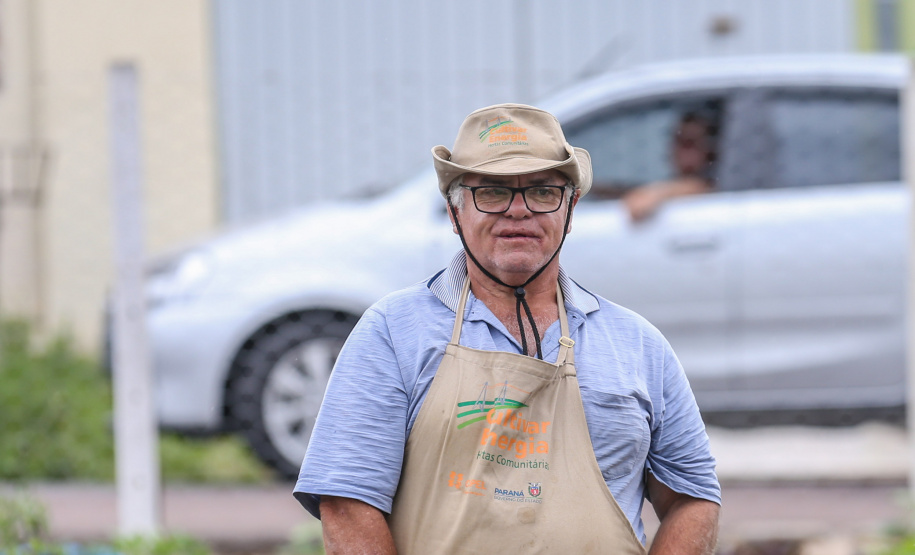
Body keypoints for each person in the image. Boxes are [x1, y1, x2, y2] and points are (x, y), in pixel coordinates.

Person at [294, 103, 721, 554]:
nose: (519, 211)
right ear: (455, 212)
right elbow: (347, 502)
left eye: (541, 192)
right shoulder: (393, 332)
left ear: (570, 210)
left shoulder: (637, 344)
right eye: (493, 193)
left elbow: (692, 498)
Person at [622, 111, 717, 222]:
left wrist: (653, 195)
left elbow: (698, 187)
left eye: (690, 143)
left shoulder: (719, 185)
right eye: (678, 142)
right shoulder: (673, 184)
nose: (682, 151)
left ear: (709, 150)